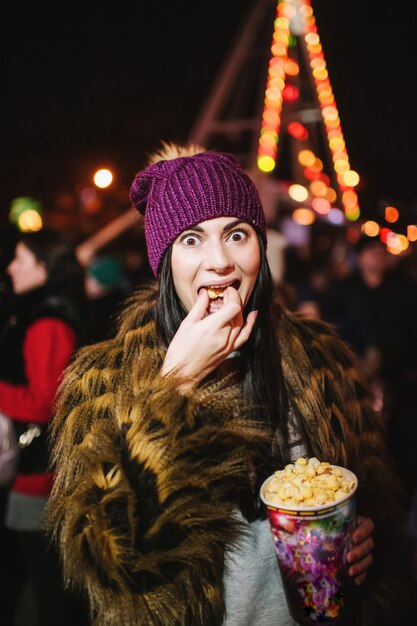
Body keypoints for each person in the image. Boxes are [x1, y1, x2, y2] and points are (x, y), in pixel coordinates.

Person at [45, 145, 414, 626]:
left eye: (236, 234)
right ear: (164, 261)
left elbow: (379, 507)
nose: (219, 261)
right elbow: (112, 563)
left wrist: (365, 539)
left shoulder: (320, 361)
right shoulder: (103, 382)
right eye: (192, 240)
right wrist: (174, 387)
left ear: (260, 246)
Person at [0, 228, 89, 626]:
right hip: (38, 473)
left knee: (49, 593)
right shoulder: (43, 313)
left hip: (40, 480)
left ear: (44, 267)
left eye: (21, 259)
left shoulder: (48, 322)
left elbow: (44, 403)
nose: (10, 267)